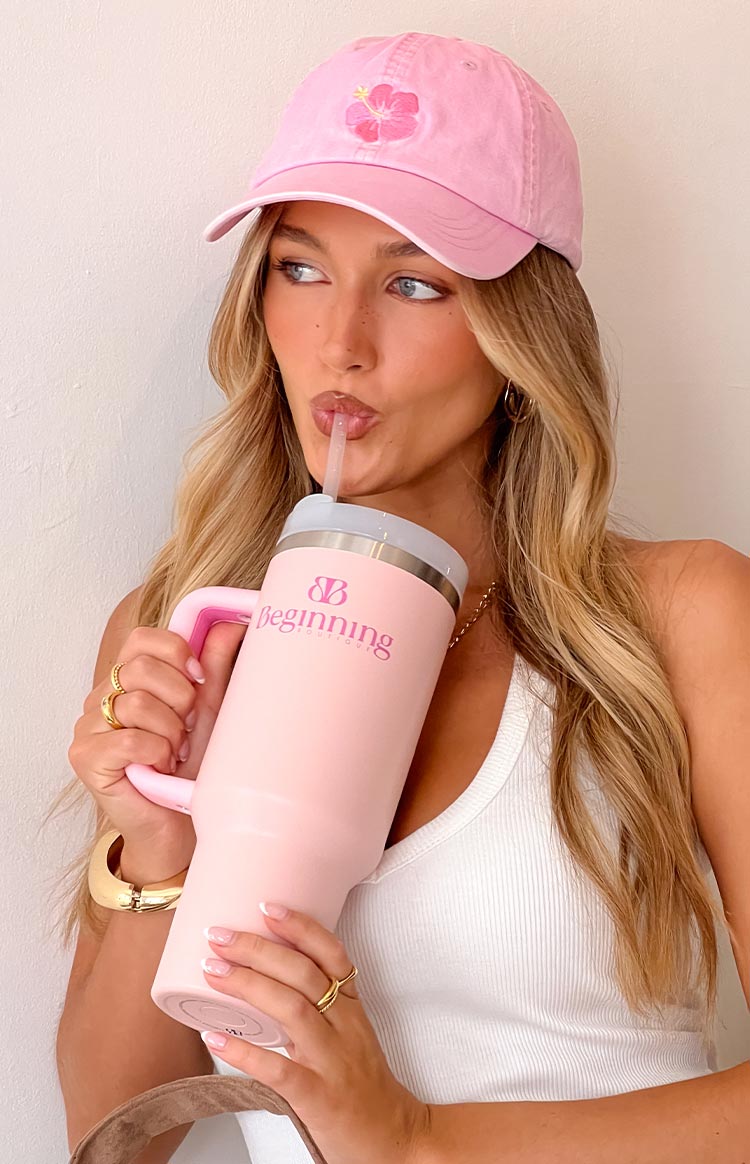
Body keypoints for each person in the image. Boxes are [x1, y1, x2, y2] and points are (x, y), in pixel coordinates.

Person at [51, 29, 750, 1164]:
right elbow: (116, 1136)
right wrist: (160, 850)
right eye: (300, 267)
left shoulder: (682, 620)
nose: (341, 344)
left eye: (415, 283)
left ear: (521, 332)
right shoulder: (184, 635)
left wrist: (418, 1140)